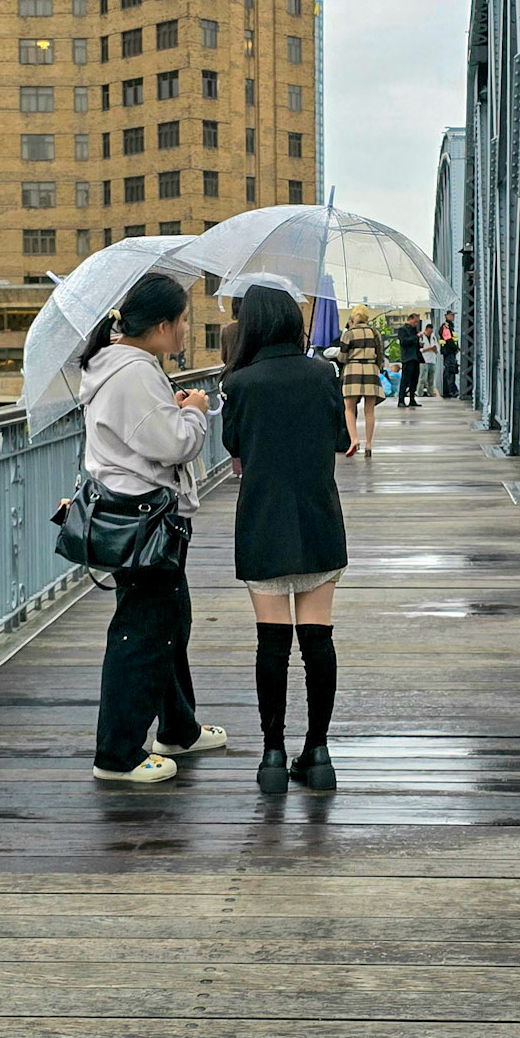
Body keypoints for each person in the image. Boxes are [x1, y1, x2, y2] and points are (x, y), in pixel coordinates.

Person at [71, 272, 228, 785]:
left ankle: (178, 729)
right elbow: (174, 444)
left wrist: (173, 411)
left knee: (168, 622)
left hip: (136, 515)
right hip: (146, 517)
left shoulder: (119, 364)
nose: (185, 329)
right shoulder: (135, 372)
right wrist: (196, 413)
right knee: (141, 634)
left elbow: (145, 432)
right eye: (182, 321)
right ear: (161, 326)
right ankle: (117, 753)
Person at [221, 283, 350, 794]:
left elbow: (234, 445)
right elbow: (340, 439)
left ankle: (272, 756)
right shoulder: (323, 374)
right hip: (318, 518)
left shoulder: (241, 383)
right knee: (318, 639)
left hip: (263, 522)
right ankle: (318, 753)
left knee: (271, 643)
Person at [336, 303, 385, 457]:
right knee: (369, 410)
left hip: (353, 370)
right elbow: (380, 355)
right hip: (371, 370)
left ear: (353, 317)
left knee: (349, 409)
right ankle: (368, 444)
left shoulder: (349, 334)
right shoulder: (374, 333)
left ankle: (354, 440)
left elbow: (342, 357)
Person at [395, 312, 423, 409]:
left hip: (415, 357)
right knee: (405, 380)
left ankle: (412, 399)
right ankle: (401, 400)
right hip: (408, 358)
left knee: (414, 380)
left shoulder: (415, 330)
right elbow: (404, 341)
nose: (416, 324)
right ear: (410, 319)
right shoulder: (403, 330)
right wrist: (416, 337)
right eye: (415, 322)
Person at [440, 313, 460, 399]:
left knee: (449, 371)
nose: (453, 317)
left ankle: (447, 391)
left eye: (453, 315)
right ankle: (452, 390)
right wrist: (455, 348)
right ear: (446, 316)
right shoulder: (446, 327)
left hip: (450, 352)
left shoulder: (450, 327)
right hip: (448, 352)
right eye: (451, 315)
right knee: (450, 371)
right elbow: (448, 339)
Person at [418, 321, 440, 398]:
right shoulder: (421, 337)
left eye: (431, 332)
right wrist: (429, 348)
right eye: (429, 332)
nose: (430, 333)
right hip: (424, 360)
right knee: (423, 378)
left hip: (432, 360)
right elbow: (420, 350)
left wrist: (434, 349)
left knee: (431, 379)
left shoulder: (433, 337)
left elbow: (437, 349)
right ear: (426, 330)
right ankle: (419, 393)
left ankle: (430, 392)